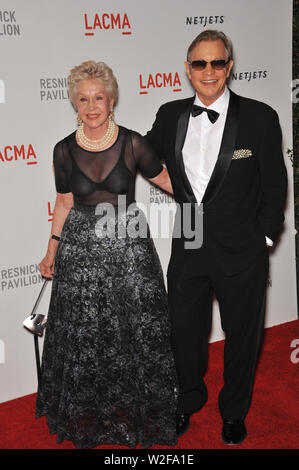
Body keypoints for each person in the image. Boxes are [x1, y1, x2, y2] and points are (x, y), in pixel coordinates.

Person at [145, 30, 287, 445]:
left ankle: (234, 411)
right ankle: (187, 399)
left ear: (229, 66)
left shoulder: (260, 116)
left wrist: (262, 238)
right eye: (200, 63)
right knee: (184, 333)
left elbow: (275, 185)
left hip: (242, 247)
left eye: (218, 62)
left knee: (242, 335)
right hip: (188, 240)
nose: (209, 71)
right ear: (188, 69)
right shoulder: (170, 114)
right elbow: (141, 154)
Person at [36, 60, 178, 449]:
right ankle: (90, 417)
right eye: (83, 99)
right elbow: (63, 203)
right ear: (74, 104)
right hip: (80, 253)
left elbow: (166, 180)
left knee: (135, 332)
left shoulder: (132, 142)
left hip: (129, 249)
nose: (92, 105)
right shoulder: (63, 149)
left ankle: (137, 412)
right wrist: (51, 251)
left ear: (112, 100)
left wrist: (209, 203)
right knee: (86, 336)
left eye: (99, 97)